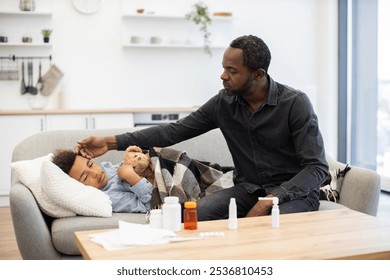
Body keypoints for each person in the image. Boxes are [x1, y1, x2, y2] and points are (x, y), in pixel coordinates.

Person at [75, 35, 329, 221]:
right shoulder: (224, 103)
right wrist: (110, 142)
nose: (222, 76)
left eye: (232, 71)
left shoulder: (295, 104)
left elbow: (316, 168)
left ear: (258, 74)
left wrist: (272, 199)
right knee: (195, 215)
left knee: (269, 226)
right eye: (223, 68)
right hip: (248, 189)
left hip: (293, 194)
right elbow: (172, 132)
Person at [51, 146, 153, 213]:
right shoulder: (109, 197)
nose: (95, 173)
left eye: (90, 165)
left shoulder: (107, 168)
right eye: (85, 177)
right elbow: (150, 205)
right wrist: (131, 177)